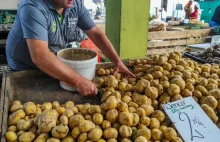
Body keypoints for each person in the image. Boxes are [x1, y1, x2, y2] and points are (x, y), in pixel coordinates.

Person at [6, 0, 135, 96]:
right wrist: (79, 81)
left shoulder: (74, 4)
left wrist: (117, 61)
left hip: (52, 60)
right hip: (25, 66)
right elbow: (40, 56)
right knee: (29, 97)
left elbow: (96, 33)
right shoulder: (32, 7)